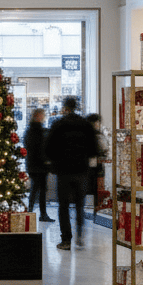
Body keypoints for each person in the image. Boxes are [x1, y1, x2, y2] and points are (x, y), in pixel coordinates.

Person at [45, 95, 99, 251]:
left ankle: (66, 240)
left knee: (63, 206)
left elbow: (49, 147)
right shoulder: (85, 125)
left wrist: (54, 162)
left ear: (65, 108)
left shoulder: (58, 124)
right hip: (81, 170)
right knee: (80, 205)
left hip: (63, 171)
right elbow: (94, 148)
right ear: (77, 107)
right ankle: (80, 236)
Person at [23, 108, 53, 223]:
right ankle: (39, 213)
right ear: (38, 116)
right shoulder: (38, 130)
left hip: (33, 165)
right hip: (39, 166)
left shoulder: (30, 130)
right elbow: (40, 148)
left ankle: (31, 212)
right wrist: (46, 161)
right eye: (42, 116)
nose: (43, 118)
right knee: (39, 191)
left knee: (36, 190)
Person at [85, 113, 107, 213]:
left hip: (88, 167)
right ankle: (96, 209)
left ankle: (92, 209)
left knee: (91, 189)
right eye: (97, 122)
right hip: (96, 166)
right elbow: (104, 148)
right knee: (97, 189)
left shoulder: (85, 134)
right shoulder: (97, 135)